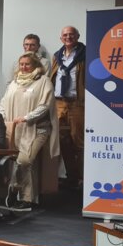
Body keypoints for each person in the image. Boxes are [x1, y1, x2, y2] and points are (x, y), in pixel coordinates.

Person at [0, 52, 59, 210]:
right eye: (21, 64)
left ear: (36, 66)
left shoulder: (43, 81)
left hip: (37, 129)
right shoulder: (14, 83)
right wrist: (2, 118)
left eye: (28, 64)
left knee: (25, 160)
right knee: (18, 163)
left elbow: (45, 106)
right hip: (15, 130)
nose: (24, 67)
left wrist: (27, 117)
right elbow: (3, 104)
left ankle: (19, 191)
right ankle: (25, 197)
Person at [50, 25, 86, 187]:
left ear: (77, 36)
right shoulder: (57, 56)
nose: (68, 37)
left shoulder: (86, 55)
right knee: (62, 141)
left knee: (78, 141)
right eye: (65, 35)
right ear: (61, 38)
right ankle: (72, 177)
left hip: (77, 103)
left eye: (71, 34)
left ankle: (83, 178)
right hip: (59, 103)